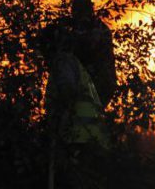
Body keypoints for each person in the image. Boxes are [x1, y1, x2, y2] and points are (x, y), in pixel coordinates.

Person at [42, 23, 112, 189]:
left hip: (78, 139)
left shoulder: (63, 62)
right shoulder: (74, 63)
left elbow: (67, 93)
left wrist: (59, 125)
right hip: (90, 139)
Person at [69, 0, 117, 107]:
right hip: (94, 82)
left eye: (76, 10)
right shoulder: (87, 27)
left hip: (98, 83)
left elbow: (86, 48)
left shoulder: (96, 28)